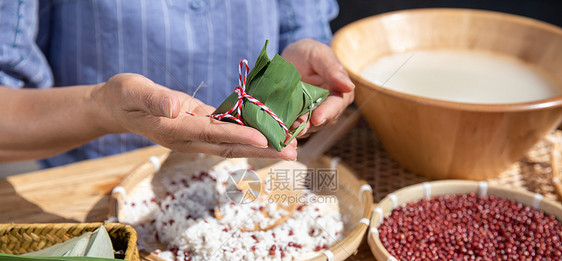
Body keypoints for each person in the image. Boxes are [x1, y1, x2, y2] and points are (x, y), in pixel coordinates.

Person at [0, 0, 354, 167]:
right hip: (95, 194)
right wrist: (104, 107)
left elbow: (301, 26)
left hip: (252, 184)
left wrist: (302, 77)